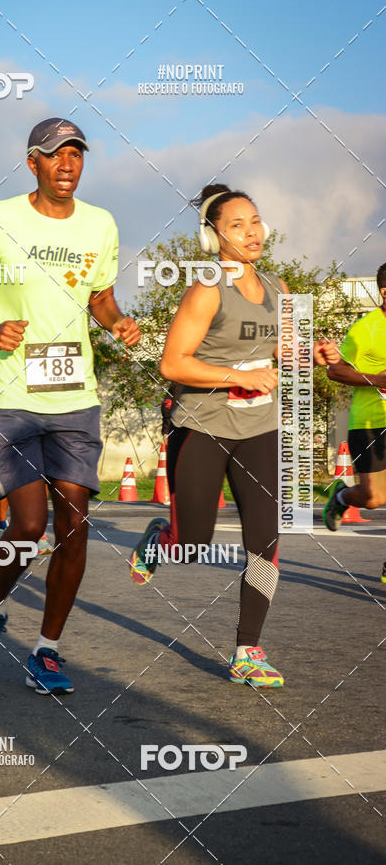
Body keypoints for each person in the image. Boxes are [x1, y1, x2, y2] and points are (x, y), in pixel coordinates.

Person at [0, 117, 140, 694]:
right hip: (11, 397)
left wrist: (117, 322)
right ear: (32, 161)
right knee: (28, 527)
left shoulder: (101, 224)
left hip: (75, 396)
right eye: (56, 155)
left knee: (75, 525)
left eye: (77, 154)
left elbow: (99, 295)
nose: (68, 164)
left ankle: (48, 651)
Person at [128, 183, 340, 689]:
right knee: (193, 545)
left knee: (265, 540)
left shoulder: (278, 287)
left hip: (259, 428)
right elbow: (172, 363)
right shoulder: (206, 288)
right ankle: (163, 539)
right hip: (201, 425)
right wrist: (238, 376)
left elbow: (284, 348)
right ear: (213, 237)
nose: (252, 232)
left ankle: (248, 649)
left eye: (256, 221)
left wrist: (312, 352)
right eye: (237, 225)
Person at [323, 263, 386, 582]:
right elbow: (335, 370)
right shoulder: (366, 330)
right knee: (374, 498)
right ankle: (341, 497)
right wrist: (378, 379)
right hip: (370, 422)